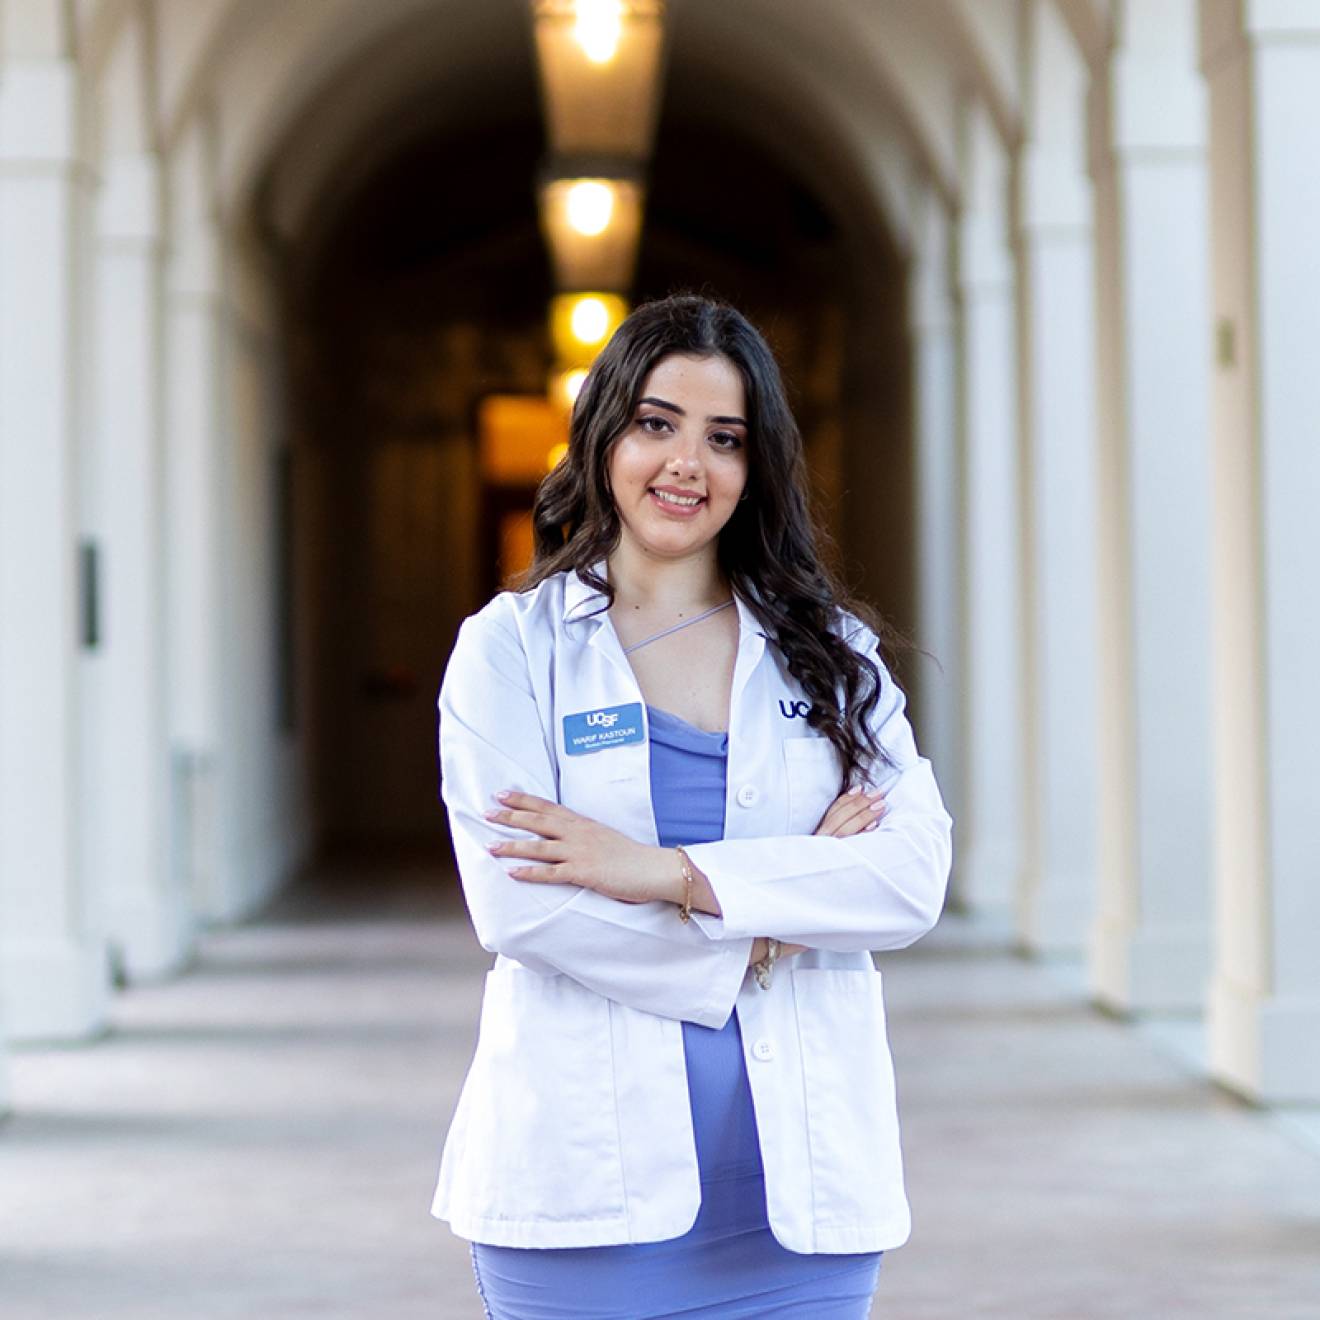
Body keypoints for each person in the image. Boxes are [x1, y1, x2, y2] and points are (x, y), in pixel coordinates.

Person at [431, 293, 953, 1319]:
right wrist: (774, 926)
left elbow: (908, 878)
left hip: (796, 1206)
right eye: (656, 424)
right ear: (603, 432)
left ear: (756, 469)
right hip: (581, 1196)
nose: (687, 465)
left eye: (725, 439)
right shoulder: (513, 650)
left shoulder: (832, 655)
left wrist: (667, 874)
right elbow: (522, 910)